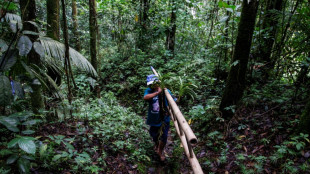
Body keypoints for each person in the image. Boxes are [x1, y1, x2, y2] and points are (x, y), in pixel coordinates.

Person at [143, 74, 176, 161]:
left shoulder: (166, 91)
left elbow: (174, 101)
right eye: (151, 84)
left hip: (164, 118)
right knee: (154, 135)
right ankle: (157, 145)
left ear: (157, 82)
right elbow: (145, 97)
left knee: (164, 136)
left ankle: (160, 151)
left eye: (154, 84)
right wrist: (157, 93)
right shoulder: (149, 91)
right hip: (153, 119)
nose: (152, 86)